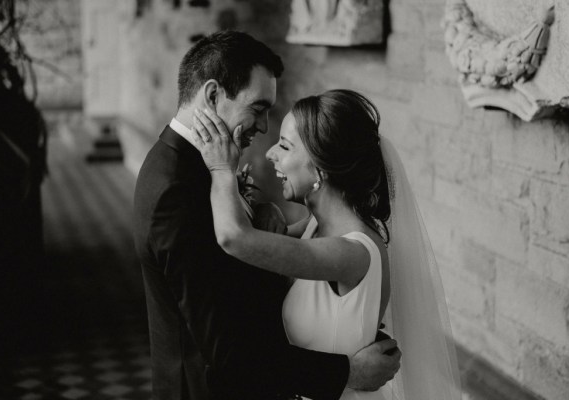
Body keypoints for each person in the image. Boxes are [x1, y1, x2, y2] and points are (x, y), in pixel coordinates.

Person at [133, 31, 402, 400]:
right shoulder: (176, 190)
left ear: (322, 168)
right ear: (213, 96)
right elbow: (225, 350)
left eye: (285, 143)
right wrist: (346, 370)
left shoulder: (204, 172)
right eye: (258, 109)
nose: (263, 130)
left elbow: (247, 265)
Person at [190, 89, 462, 399]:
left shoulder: (352, 253)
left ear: (320, 169)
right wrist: (267, 209)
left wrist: (221, 169)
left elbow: (234, 238)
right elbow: (260, 245)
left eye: (285, 146)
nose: (270, 154)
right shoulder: (317, 226)